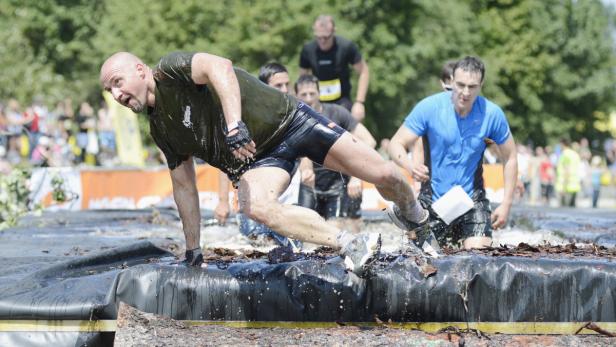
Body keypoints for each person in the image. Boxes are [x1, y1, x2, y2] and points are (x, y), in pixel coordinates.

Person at [100, 51, 428, 275]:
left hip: (290, 122)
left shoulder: (170, 69)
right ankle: (349, 245)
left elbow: (220, 67)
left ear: (140, 70)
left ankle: (415, 215)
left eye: (118, 82)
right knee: (255, 206)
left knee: (385, 174)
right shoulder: (160, 130)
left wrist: (233, 125)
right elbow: (184, 186)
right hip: (258, 160)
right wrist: (193, 251)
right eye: (109, 90)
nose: (117, 95)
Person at [388, 56, 518, 249]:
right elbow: (395, 143)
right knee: (423, 260)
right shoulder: (429, 107)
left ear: (481, 85)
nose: (465, 92)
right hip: (432, 200)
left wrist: (506, 204)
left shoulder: (492, 114)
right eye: (460, 85)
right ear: (451, 80)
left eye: (472, 87)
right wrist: (410, 166)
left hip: (472, 200)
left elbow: (510, 157)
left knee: (478, 256)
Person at [214, 62, 301, 250]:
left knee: (293, 251)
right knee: (259, 249)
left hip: (286, 205)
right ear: (263, 87)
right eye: (278, 85)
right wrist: (222, 202)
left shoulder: (294, 114)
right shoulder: (246, 119)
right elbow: (225, 163)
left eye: (287, 84)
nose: (285, 90)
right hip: (253, 206)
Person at [294, 75, 376, 232]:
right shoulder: (293, 118)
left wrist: (356, 177)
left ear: (319, 93)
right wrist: (304, 166)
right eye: (304, 95)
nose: (309, 98)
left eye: (312, 93)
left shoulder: (338, 113)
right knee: (306, 236)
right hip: (310, 184)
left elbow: (369, 141)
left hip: (341, 184)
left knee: (341, 231)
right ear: (296, 95)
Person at [299, 15, 369, 121]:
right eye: (318, 37)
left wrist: (359, 103)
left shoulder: (346, 46)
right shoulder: (308, 49)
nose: (322, 41)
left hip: (342, 101)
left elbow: (364, 71)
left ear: (334, 32)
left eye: (326, 37)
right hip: (318, 102)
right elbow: (302, 80)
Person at [555, 138, 581, 207]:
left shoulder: (565, 154)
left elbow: (567, 170)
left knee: (564, 212)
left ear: (562, 144)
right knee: (573, 213)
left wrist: (564, 187)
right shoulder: (575, 154)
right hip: (575, 186)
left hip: (566, 186)